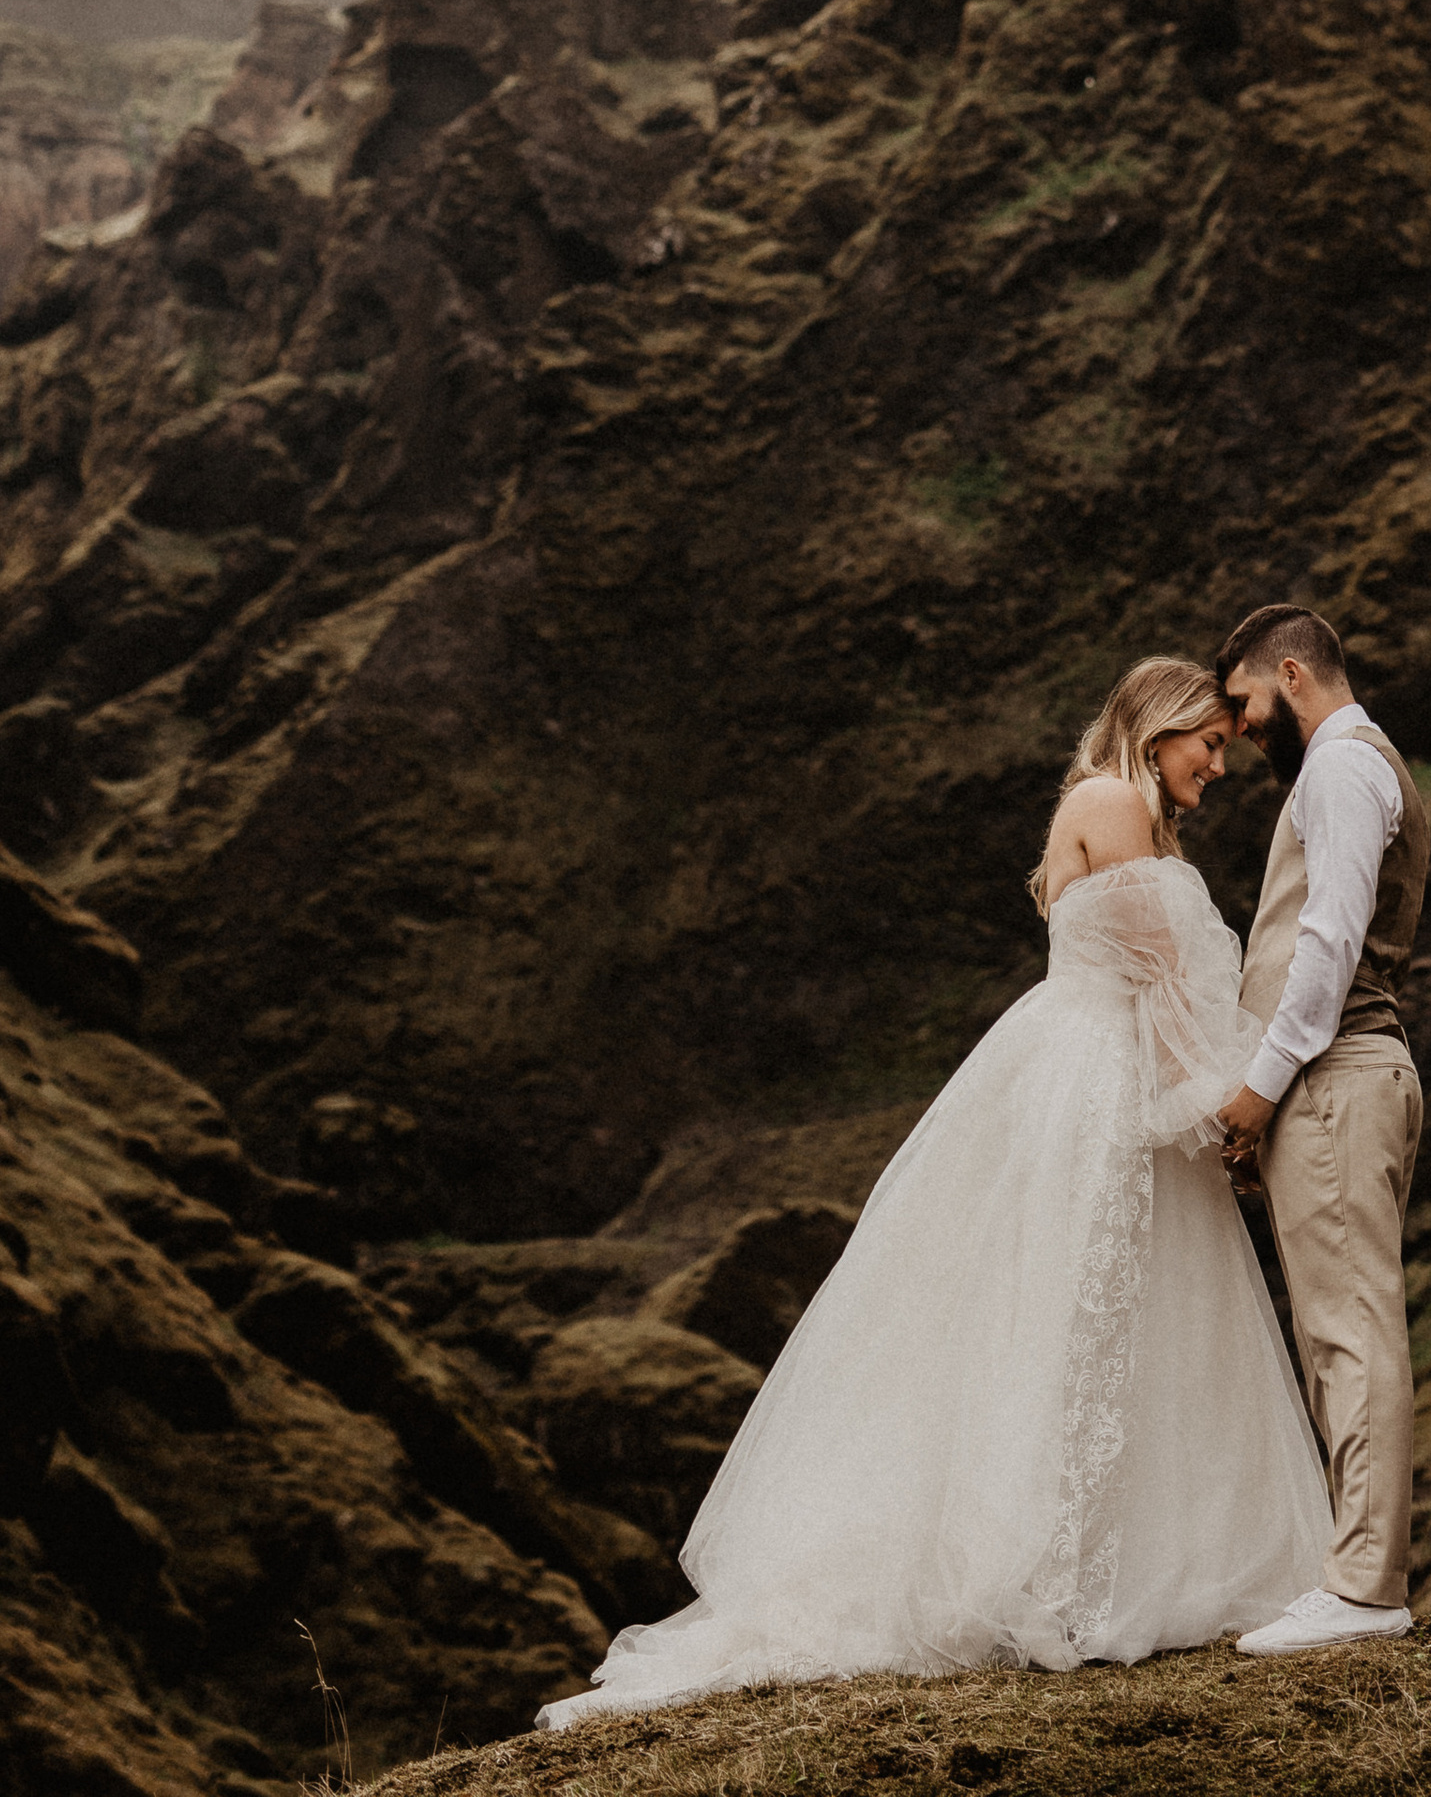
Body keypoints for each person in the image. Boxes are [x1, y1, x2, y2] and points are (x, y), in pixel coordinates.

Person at [535, 658, 1331, 1725]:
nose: (1220, 764)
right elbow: (1171, 994)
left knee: (1119, 1320)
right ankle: (1060, 1570)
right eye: (1209, 743)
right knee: (1077, 1314)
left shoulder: (1127, 819)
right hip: (1092, 1081)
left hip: (1100, 1070)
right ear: (1158, 732)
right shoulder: (1107, 802)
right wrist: (1242, 1110)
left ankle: (1120, 1553)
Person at [1210, 604, 1430, 1657]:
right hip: (1334, 1078)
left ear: (1292, 674)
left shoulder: (1341, 766)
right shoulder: (1339, 767)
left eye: (1247, 706)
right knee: (1334, 1330)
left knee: (1352, 1329)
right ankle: (1353, 1574)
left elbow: (1329, 942)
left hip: (1337, 1072)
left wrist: (1257, 1085)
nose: (1244, 731)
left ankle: (1364, 1587)